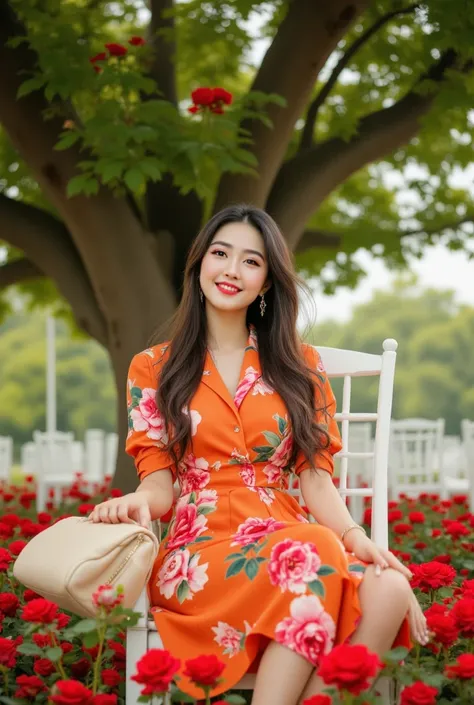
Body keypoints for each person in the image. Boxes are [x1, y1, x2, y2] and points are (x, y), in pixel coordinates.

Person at [90, 204, 428, 704]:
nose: (231, 270)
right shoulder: (152, 368)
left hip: (294, 537)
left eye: (251, 261)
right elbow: (158, 479)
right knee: (310, 552)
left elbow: (316, 480)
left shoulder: (300, 366)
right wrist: (139, 501)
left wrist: (358, 540)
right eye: (220, 254)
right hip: (201, 554)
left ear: (267, 282)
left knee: (390, 590)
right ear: (199, 264)